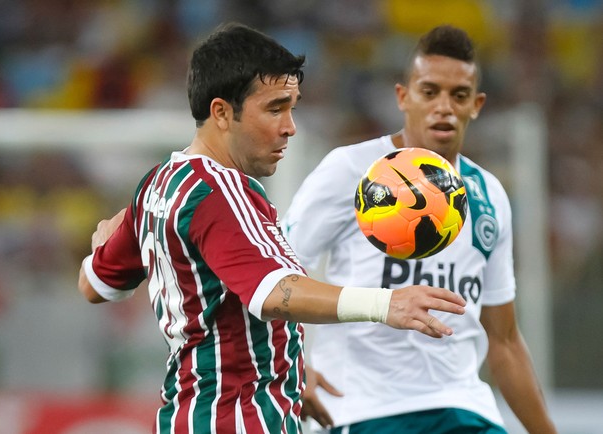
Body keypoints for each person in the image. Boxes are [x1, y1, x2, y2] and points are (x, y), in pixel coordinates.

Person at [77, 23, 467, 434]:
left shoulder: (157, 184)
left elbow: (95, 285)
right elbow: (272, 293)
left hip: (194, 414)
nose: (290, 127)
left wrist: (291, 375)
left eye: (292, 107)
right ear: (222, 112)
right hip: (236, 421)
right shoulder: (220, 193)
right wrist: (386, 305)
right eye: (275, 108)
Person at [283, 25, 557, 434]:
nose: (444, 107)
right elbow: (278, 275)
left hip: (464, 406)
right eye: (430, 92)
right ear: (403, 97)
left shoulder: (489, 195)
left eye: (458, 95)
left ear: (476, 104)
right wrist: (291, 366)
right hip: (364, 408)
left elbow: (504, 340)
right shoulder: (352, 171)